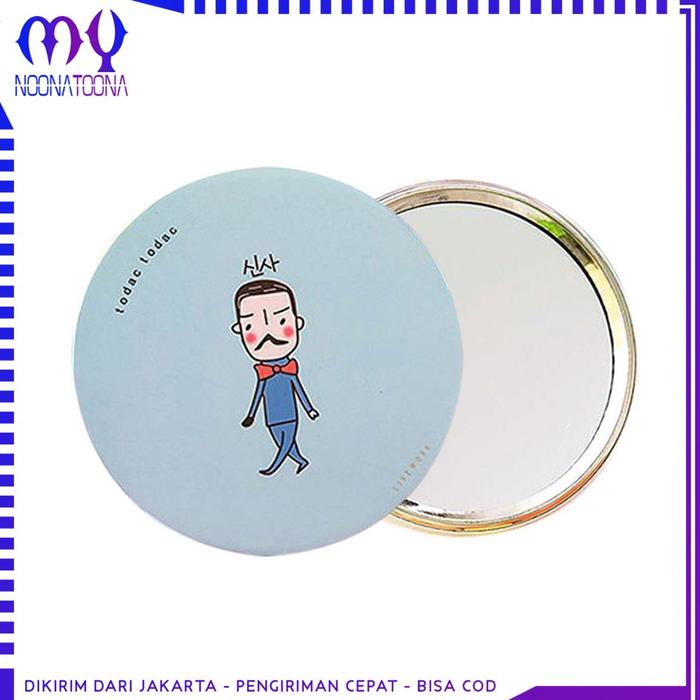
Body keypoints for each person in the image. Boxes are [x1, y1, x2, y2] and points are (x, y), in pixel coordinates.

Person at [231, 279, 319, 477]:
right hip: (271, 416)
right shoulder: (264, 373)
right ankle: (301, 461)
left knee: (286, 442)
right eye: (251, 326)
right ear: (240, 330)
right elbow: (258, 395)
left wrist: (309, 410)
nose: (268, 334)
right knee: (284, 442)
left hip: (289, 413)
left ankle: (273, 467)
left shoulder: (289, 371)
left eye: (281, 322)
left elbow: (299, 391)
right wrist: (251, 416)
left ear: (297, 323)